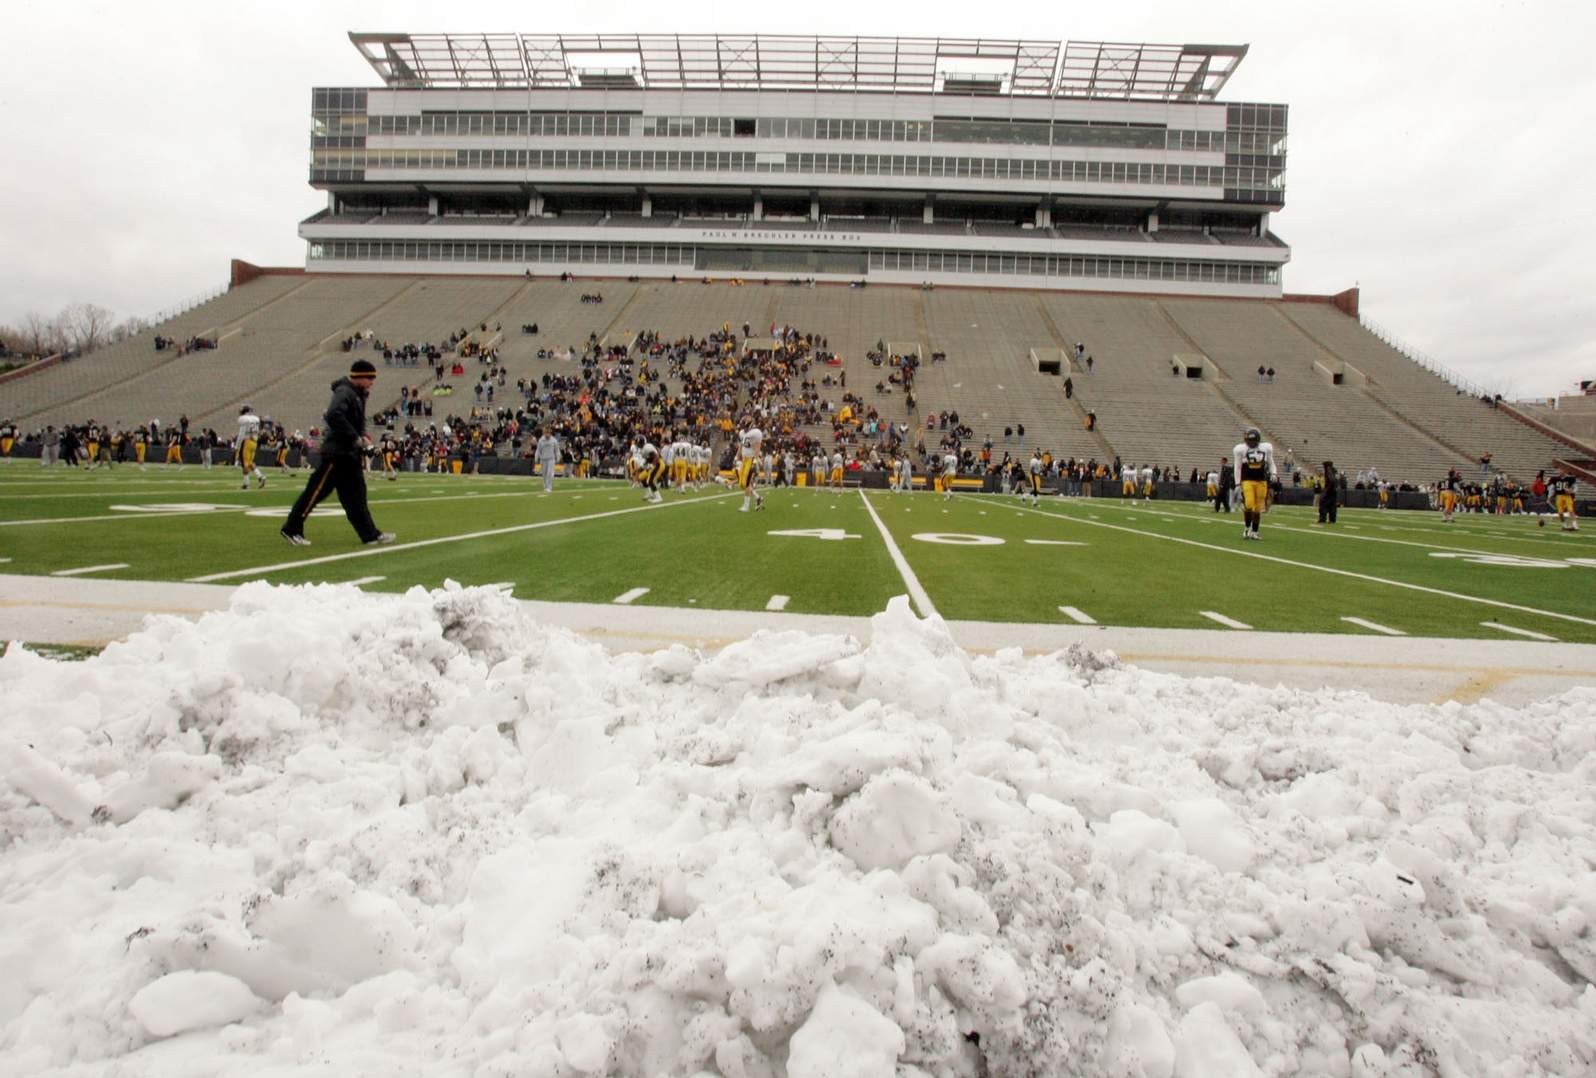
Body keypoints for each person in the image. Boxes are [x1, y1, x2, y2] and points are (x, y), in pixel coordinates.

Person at [280, 360, 394, 547]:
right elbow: (334, 415)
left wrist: (361, 436)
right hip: (337, 454)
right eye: (369, 378)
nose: (372, 382)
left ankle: (370, 534)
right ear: (359, 376)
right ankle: (291, 528)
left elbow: (351, 421)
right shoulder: (345, 392)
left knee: (356, 496)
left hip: (349, 454)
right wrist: (354, 437)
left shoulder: (356, 394)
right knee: (316, 492)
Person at [1232, 427, 1277, 540]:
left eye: (1253, 441)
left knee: (1258, 508)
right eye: (1249, 441)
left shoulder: (1266, 448)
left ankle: (1255, 531)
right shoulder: (1240, 450)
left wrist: (1274, 473)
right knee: (1249, 504)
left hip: (1261, 481)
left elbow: (1271, 463)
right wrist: (1237, 484)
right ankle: (1247, 528)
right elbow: (1237, 468)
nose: (1251, 443)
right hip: (1247, 480)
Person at [737, 419, 765, 512]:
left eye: (745, 426)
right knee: (742, 484)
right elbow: (741, 445)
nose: (744, 428)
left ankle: (746, 506)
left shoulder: (756, 433)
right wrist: (737, 456)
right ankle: (758, 498)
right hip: (744, 460)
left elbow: (757, 448)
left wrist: (756, 461)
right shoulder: (742, 433)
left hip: (750, 460)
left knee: (747, 483)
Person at [236, 406, 265, 490]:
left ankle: (246, 483)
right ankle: (261, 477)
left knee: (244, 464)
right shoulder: (255, 419)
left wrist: (237, 446)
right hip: (254, 442)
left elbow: (241, 434)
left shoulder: (244, 419)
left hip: (247, 442)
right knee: (250, 462)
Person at [535, 426, 560, 492]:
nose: (547, 434)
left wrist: (558, 457)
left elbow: (557, 450)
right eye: (546, 433)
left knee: (550, 473)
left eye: (548, 433)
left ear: (550, 433)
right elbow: (538, 450)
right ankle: (546, 486)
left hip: (551, 459)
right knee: (544, 474)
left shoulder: (554, 440)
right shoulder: (541, 440)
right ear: (544, 433)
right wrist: (536, 458)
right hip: (543, 459)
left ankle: (549, 487)